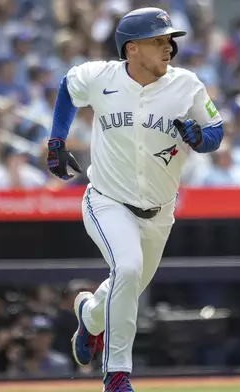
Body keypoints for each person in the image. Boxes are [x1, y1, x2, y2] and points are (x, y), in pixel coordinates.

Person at [45, 7, 223, 391]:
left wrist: (199, 139)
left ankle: (90, 316)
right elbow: (67, 87)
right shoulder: (99, 76)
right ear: (132, 49)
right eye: (158, 41)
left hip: (160, 212)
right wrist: (57, 140)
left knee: (126, 284)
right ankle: (117, 374)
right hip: (107, 200)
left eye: (170, 41)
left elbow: (216, 131)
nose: (169, 48)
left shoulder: (186, 84)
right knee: (127, 270)